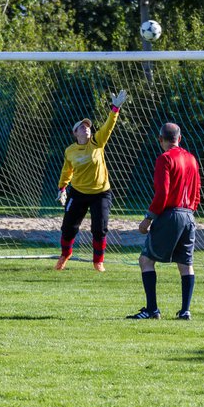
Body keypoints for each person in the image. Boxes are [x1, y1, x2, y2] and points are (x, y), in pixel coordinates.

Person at [130, 122, 201, 320]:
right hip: (189, 215)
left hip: (171, 215)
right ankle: (185, 310)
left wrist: (148, 219)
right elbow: (197, 193)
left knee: (145, 260)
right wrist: (189, 211)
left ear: (161, 139)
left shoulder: (164, 159)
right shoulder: (192, 159)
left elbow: (162, 194)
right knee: (186, 264)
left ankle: (152, 310)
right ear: (180, 138)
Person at [55, 88, 128, 271]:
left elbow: (108, 126)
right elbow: (67, 170)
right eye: (82, 126)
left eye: (88, 126)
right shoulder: (70, 151)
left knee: (99, 228)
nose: (86, 128)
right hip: (77, 192)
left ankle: (98, 262)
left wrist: (115, 109)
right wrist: (62, 188)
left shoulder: (97, 142)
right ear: (75, 133)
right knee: (68, 227)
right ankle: (65, 255)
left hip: (101, 193)